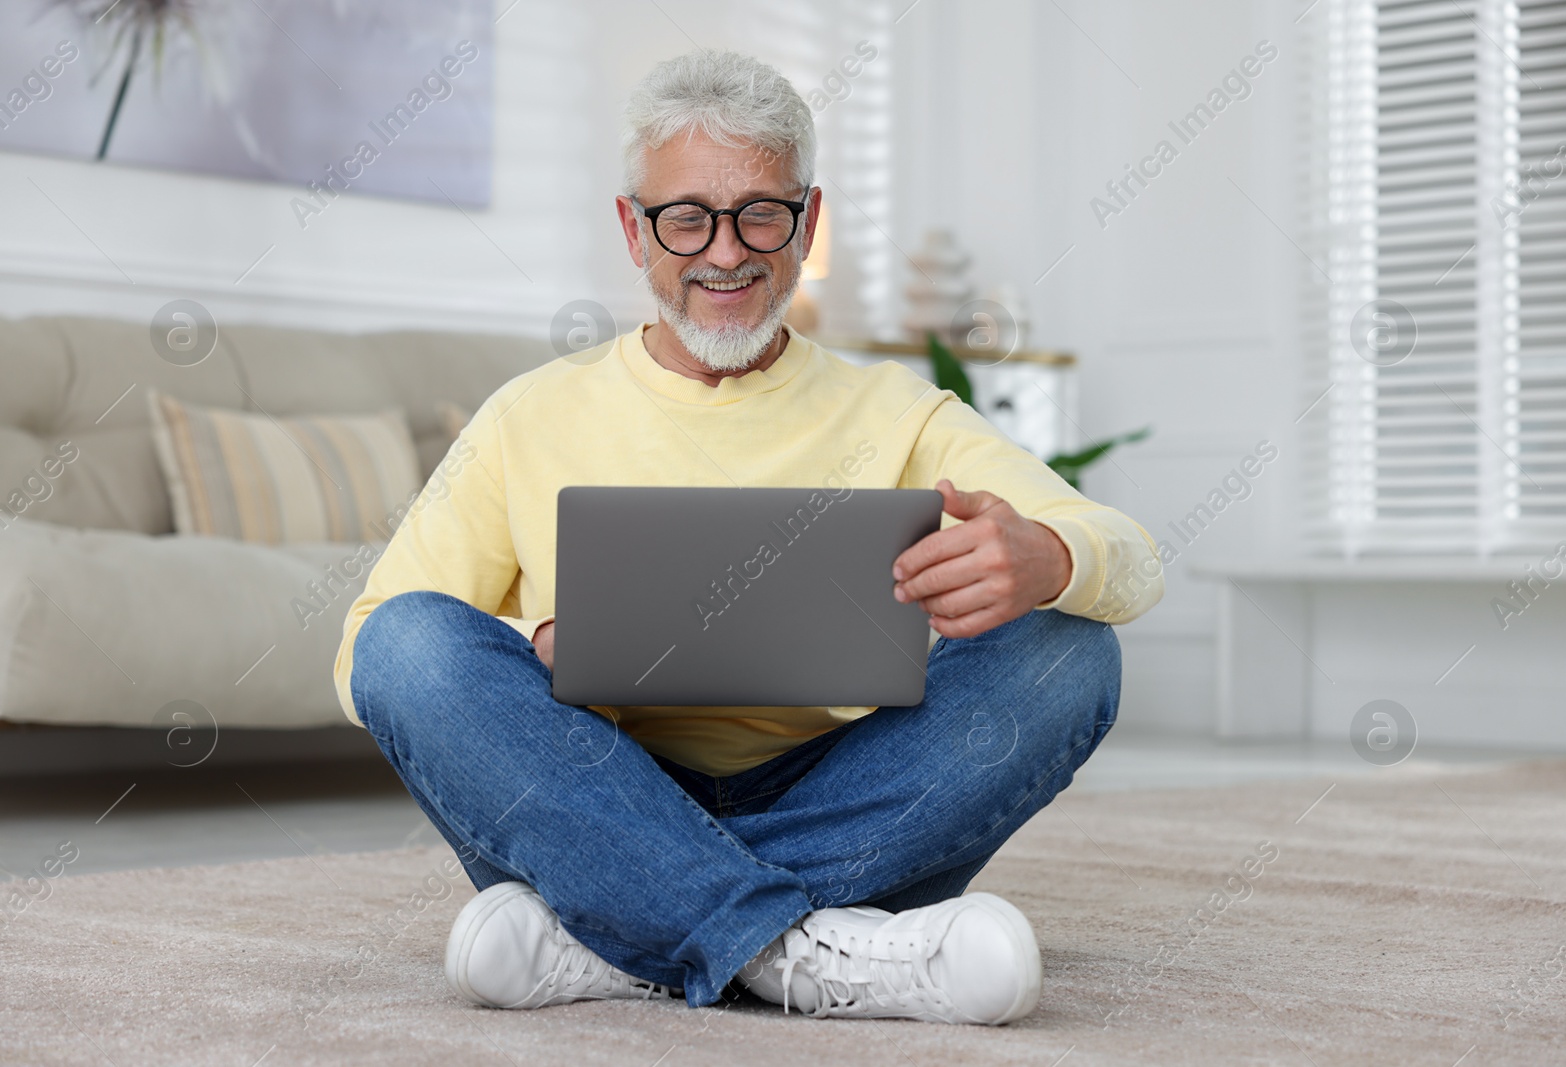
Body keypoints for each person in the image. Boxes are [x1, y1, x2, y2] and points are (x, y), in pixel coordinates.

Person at [335, 49, 1163, 1026]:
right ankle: (802, 947)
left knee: (1070, 650)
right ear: (631, 230)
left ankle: (622, 936)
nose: (723, 251)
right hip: (596, 785)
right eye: (684, 216)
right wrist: (541, 661)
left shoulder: (896, 408)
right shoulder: (528, 415)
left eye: (760, 212)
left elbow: (1132, 553)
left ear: (807, 223)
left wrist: (1050, 555)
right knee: (410, 643)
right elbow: (367, 654)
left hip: (842, 788)